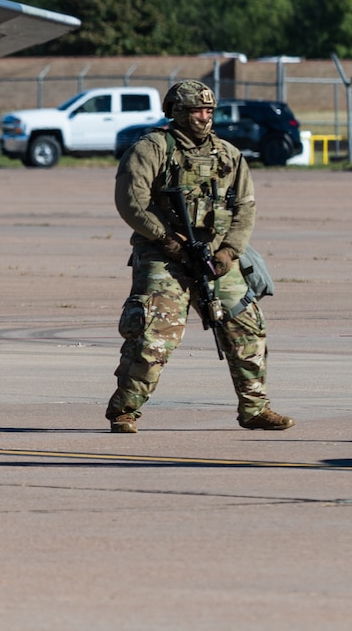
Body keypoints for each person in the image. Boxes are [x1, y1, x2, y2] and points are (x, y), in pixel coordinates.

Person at [105, 79, 293, 433]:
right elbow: (132, 201)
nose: (204, 117)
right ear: (177, 112)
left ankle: (255, 408)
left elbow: (245, 207)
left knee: (247, 327)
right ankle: (125, 409)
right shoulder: (151, 148)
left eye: (209, 110)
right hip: (164, 254)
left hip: (215, 256)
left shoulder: (228, 154)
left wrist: (229, 251)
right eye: (196, 111)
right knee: (154, 334)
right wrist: (167, 240)